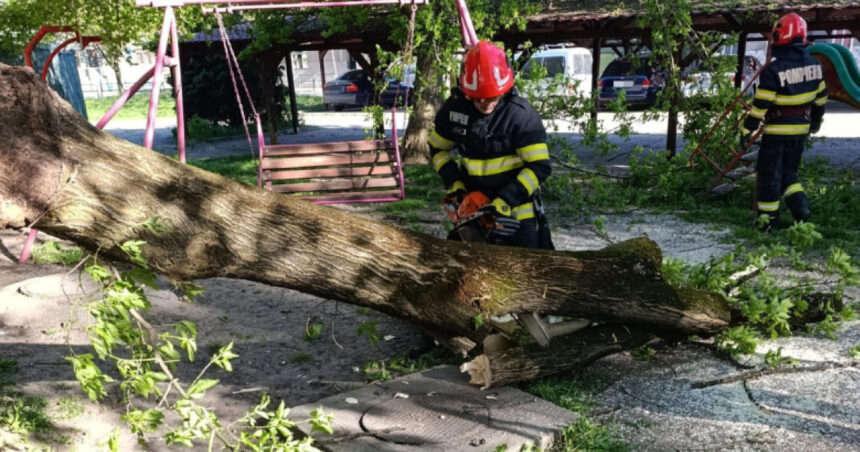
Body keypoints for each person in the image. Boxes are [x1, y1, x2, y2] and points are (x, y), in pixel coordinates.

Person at [428, 41, 552, 249]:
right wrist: (455, 185)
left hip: (516, 212)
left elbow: (540, 167)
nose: (486, 104)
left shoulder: (520, 116)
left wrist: (506, 200)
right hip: (475, 209)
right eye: (478, 100)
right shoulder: (455, 111)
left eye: (493, 98)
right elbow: (438, 149)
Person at [742, 12, 827, 231]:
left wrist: (746, 130)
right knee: (789, 173)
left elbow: (761, 106)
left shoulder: (774, 70)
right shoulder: (816, 65)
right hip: (800, 132)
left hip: (777, 132)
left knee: (769, 176)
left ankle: (767, 222)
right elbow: (820, 100)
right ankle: (801, 208)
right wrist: (815, 124)